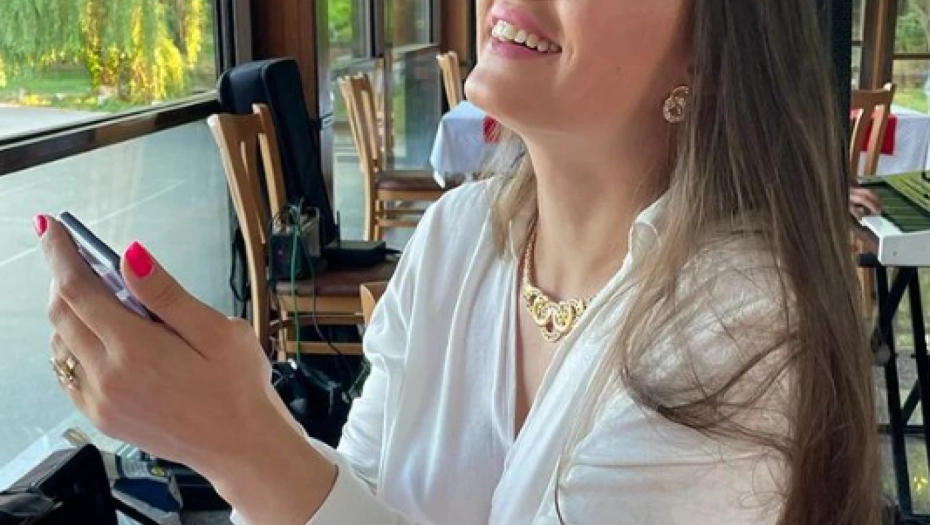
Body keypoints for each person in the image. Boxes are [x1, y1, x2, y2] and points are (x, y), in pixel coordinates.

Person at [35, 1, 880, 525]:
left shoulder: (742, 322)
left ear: (711, 43)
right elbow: (355, 490)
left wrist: (239, 442)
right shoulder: (457, 236)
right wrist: (235, 429)